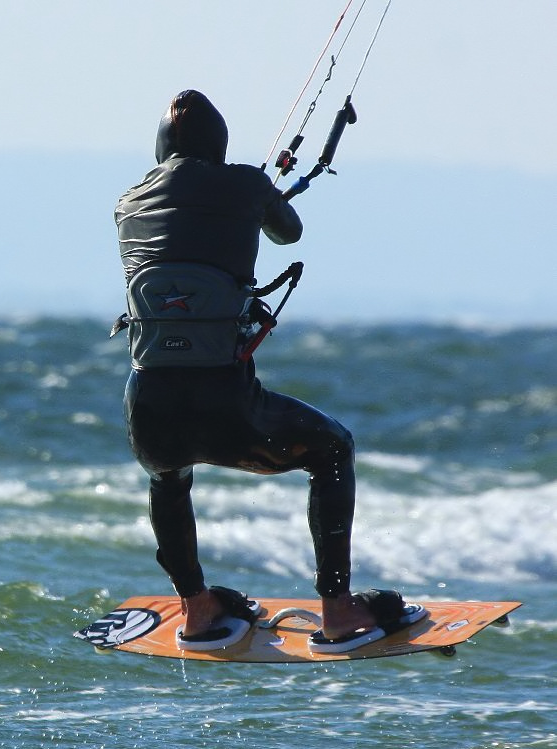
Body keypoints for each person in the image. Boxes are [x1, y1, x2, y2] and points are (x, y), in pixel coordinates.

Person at [114, 89, 424, 653]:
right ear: (220, 143)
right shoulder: (246, 185)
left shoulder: (127, 202)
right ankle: (338, 611)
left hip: (148, 407)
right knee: (332, 449)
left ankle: (198, 607)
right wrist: (262, 191)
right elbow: (289, 232)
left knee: (168, 474)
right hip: (224, 401)